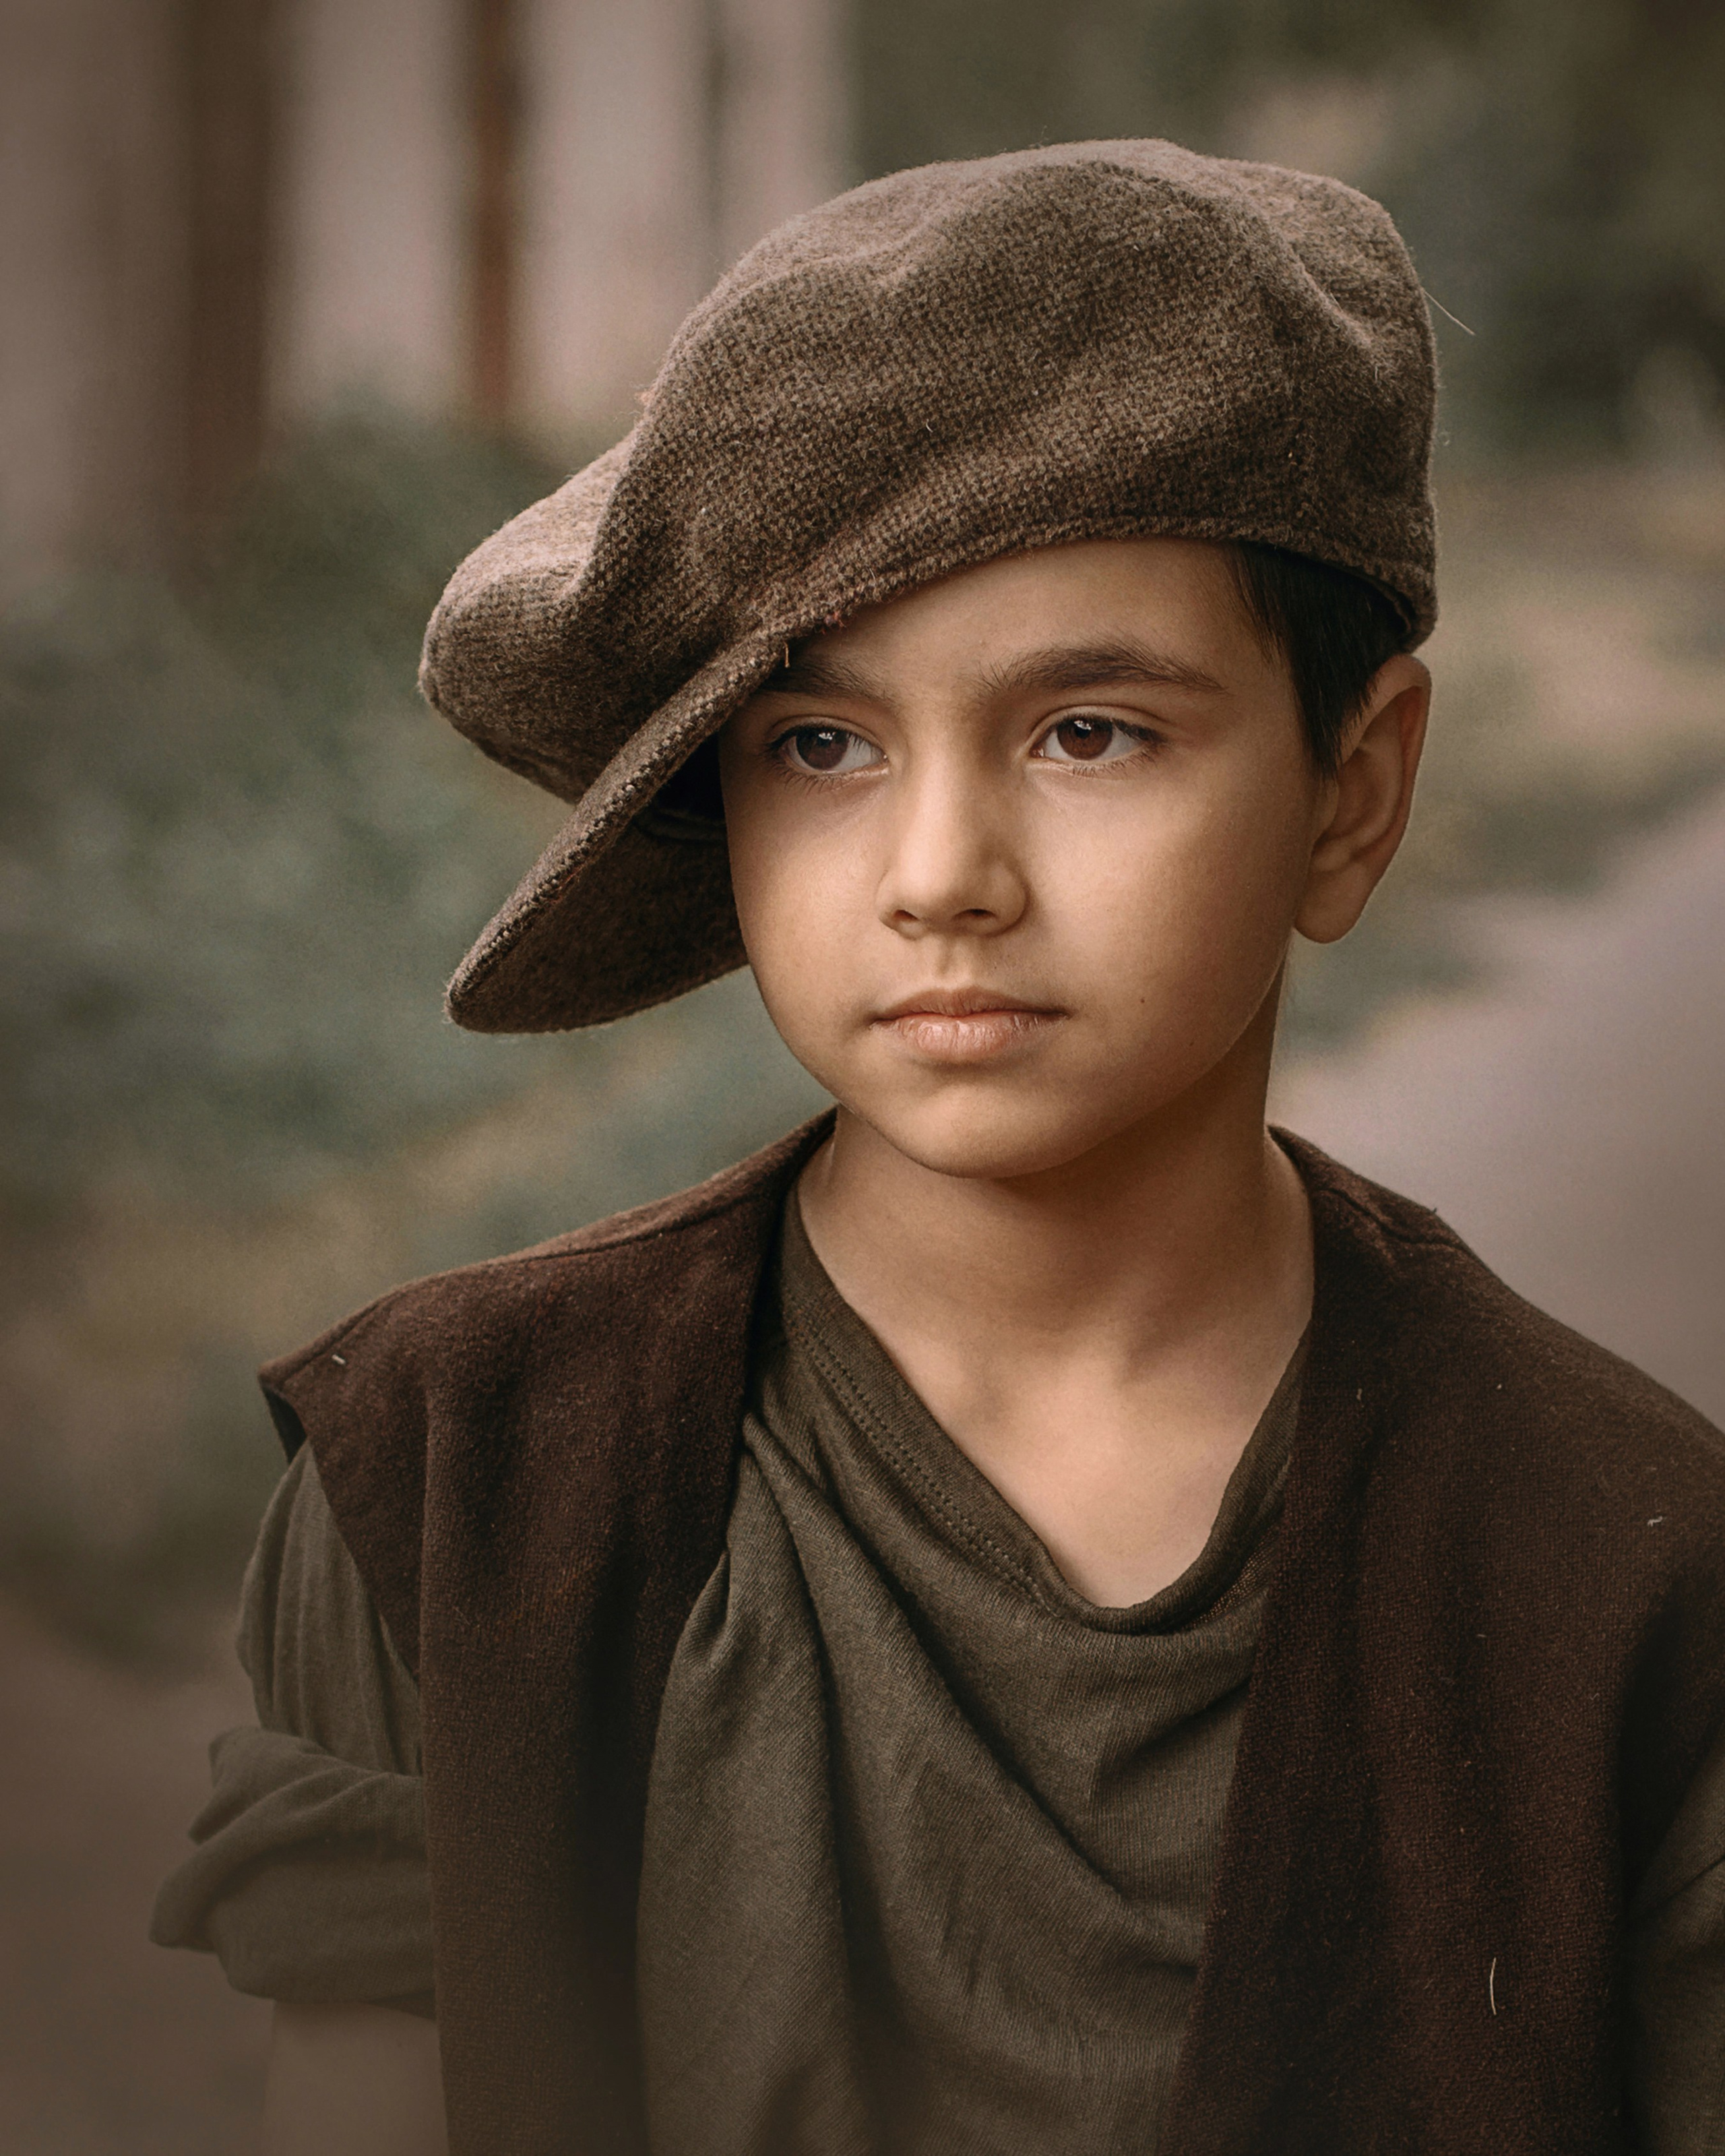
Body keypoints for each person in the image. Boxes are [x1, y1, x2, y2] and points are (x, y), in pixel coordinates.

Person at [153, 142, 1725, 2156]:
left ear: (1355, 791)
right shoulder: (451, 1485)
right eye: (821, 744)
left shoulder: (1628, 1576)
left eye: (1090, 731)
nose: (940, 878)